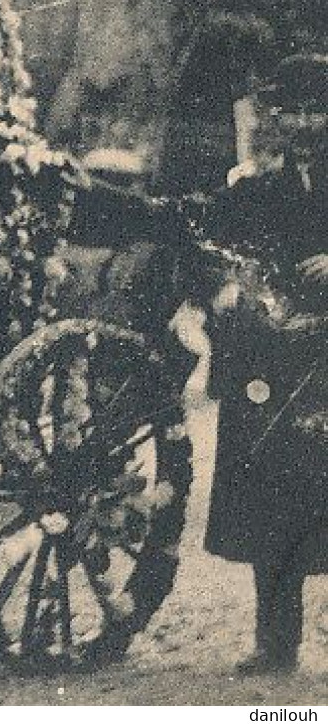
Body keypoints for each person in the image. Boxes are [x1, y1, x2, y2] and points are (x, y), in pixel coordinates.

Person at [202, 51, 328, 675]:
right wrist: (223, 284)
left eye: (304, 111)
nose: (290, 122)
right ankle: (275, 645)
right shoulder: (255, 186)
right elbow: (214, 241)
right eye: (282, 110)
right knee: (270, 510)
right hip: (270, 366)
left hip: (323, 360)